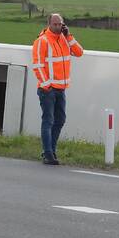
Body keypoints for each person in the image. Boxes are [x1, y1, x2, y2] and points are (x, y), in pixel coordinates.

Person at [31, 13, 83, 164]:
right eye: (55, 24)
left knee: (60, 120)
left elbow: (79, 52)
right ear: (49, 24)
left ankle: (50, 151)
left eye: (60, 24)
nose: (58, 26)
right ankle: (48, 154)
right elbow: (37, 65)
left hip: (61, 89)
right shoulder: (42, 41)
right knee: (48, 120)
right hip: (48, 90)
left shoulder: (65, 39)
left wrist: (69, 36)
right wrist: (46, 85)